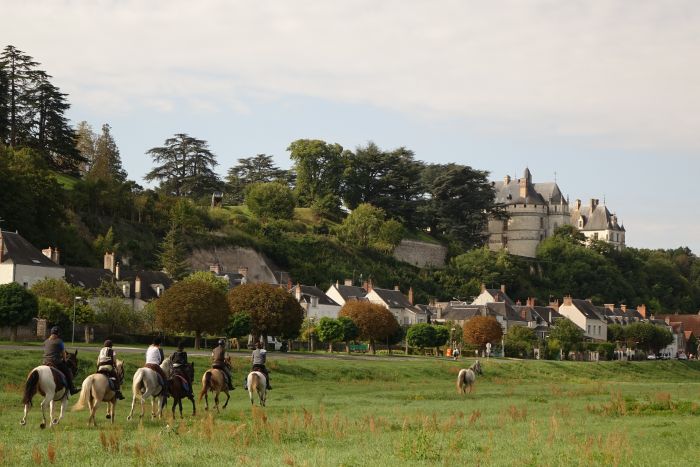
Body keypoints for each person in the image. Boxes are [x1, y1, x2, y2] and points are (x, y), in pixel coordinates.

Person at [43, 327, 80, 395]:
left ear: (51, 333)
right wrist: (65, 360)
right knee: (68, 372)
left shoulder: (46, 341)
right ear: (58, 334)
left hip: (45, 362)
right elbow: (63, 353)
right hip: (56, 362)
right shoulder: (60, 341)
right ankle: (72, 389)